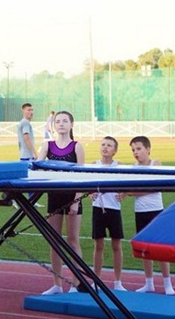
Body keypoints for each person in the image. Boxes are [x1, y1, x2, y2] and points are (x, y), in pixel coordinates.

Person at [36, 110, 86, 295]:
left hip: (72, 197)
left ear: (71, 124)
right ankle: (56, 284)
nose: (61, 124)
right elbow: (37, 167)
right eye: (58, 121)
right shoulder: (47, 145)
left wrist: (76, 201)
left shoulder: (77, 146)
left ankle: (75, 283)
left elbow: (82, 176)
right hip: (54, 196)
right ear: (54, 125)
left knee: (73, 241)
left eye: (65, 121)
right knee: (54, 241)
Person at [127, 136, 175, 294]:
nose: (136, 152)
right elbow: (132, 188)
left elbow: (156, 186)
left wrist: (132, 192)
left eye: (139, 149)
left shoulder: (156, 164)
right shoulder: (133, 168)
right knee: (144, 249)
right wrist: (130, 192)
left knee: (160, 248)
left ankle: (167, 283)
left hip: (155, 210)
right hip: (140, 212)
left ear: (148, 149)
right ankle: (149, 283)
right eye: (133, 150)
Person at [90, 136, 126, 291]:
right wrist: (90, 193)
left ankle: (118, 281)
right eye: (103, 144)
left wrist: (124, 194)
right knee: (98, 245)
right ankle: (96, 280)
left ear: (115, 151)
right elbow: (85, 183)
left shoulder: (119, 166)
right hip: (98, 208)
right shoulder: (94, 165)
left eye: (109, 145)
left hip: (114, 209)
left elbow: (129, 183)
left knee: (116, 245)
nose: (105, 147)